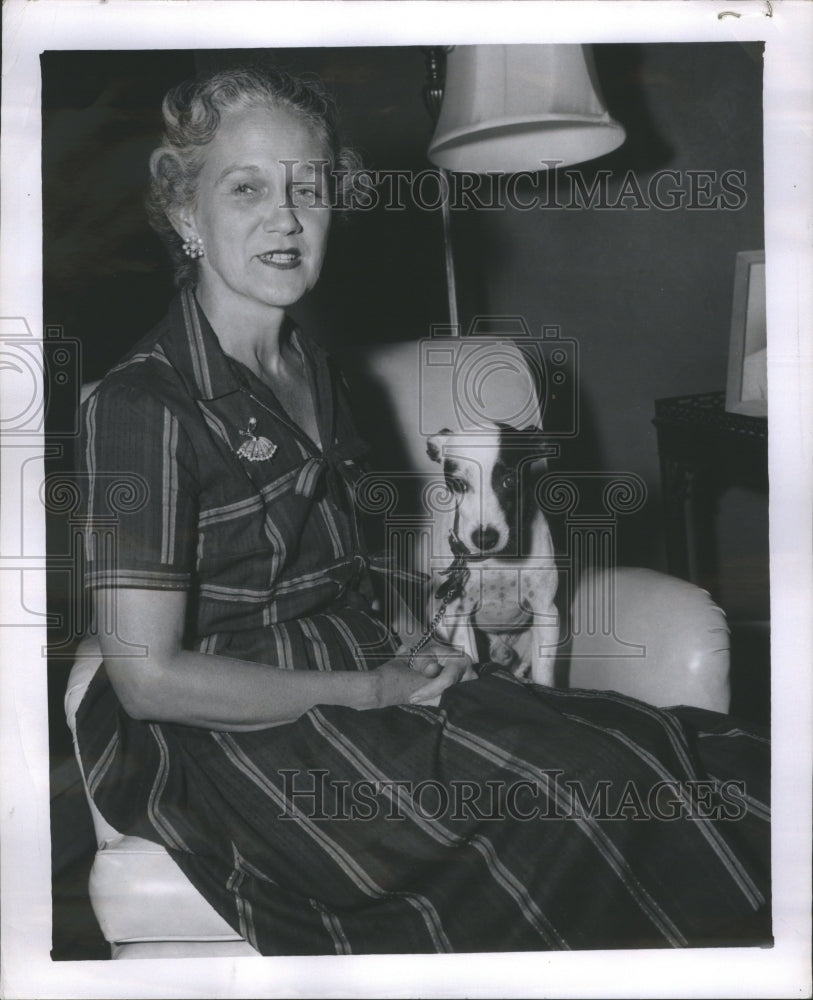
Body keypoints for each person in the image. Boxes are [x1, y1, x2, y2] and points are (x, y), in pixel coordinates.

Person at [75, 65, 770, 955]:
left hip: (358, 669)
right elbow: (148, 680)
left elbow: (330, 564)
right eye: (245, 187)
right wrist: (371, 687)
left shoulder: (311, 367)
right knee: (574, 786)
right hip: (232, 735)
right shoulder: (143, 406)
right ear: (184, 216)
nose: (285, 218)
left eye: (309, 188)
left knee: (666, 749)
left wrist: (418, 628)